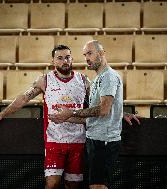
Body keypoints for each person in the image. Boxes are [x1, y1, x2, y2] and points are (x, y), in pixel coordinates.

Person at [0, 45, 88, 189]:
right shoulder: (45, 80)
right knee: (52, 184)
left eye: (67, 57)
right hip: (54, 140)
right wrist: (2, 113)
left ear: (72, 59)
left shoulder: (83, 80)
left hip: (78, 140)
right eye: (60, 58)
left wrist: (121, 113)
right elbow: (24, 98)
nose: (64, 61)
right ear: (53, 61)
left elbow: (101, 103)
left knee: (73, 185)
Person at [49, 40, 140, 189]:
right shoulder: (98, 78)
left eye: (90, 53)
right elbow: (94, 114)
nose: (87, 58)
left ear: (102, 53)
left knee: (98, 187)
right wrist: (65, 117)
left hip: (104, 142)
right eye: (85, 55)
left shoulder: (108, 77)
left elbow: (104, 109)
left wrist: (71, 112)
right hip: (94, 140)